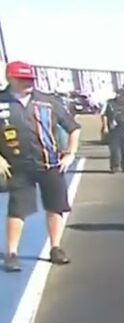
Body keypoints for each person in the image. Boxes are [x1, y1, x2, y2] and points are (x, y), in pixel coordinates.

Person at [0, 61, 81, 271]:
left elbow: (73, 128)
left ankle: (55, 248)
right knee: (17, 209)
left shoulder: (48, 101)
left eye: (30, 79)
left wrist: (70, 153)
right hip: (17, 167)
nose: (28, 83)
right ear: (10, 78)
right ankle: (11, 253)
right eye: (22, 79)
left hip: (49, 163)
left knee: (55, 206)